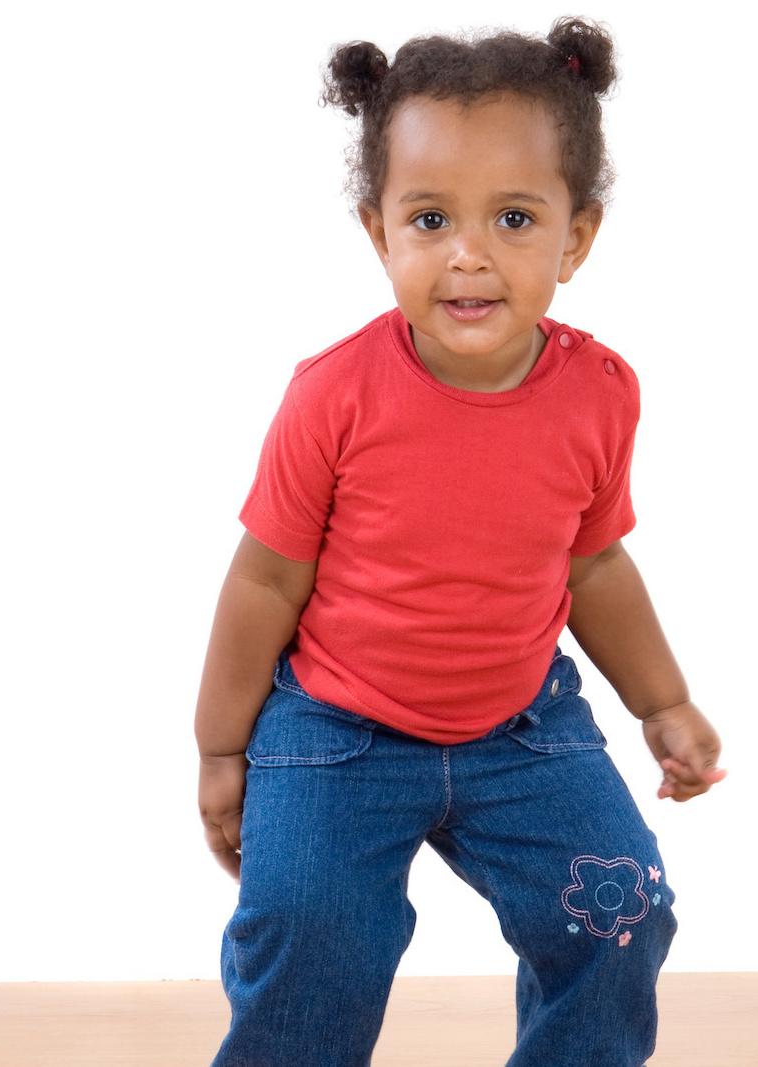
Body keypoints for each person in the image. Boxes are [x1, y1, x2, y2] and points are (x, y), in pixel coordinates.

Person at [196, 16, 726, 1067]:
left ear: (576, 237)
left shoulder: (599, 392)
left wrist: (661, 701)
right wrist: (220, 746)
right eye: (430, 217)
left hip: (519, 727)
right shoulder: (333, 396)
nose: (468, 253)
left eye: (514, 218)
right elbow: (264, 580)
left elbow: (592, 561)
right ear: (378, 232)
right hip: (337, 730)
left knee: (620, 913)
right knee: (306, 930)